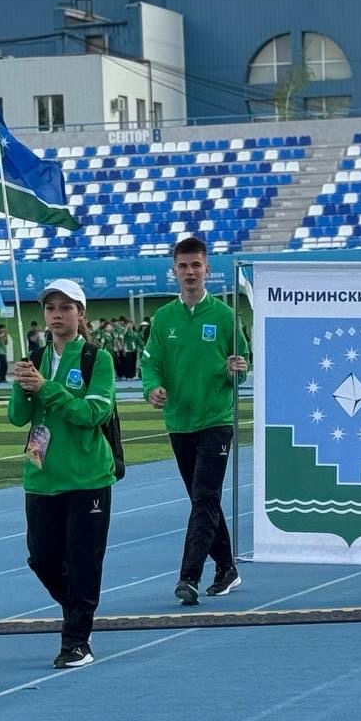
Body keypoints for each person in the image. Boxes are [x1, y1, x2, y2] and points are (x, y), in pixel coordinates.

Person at [9, 280, 116, 669]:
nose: (56, 314)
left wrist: (46, 388)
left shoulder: (96, 359)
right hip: (41, 475)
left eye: (65, 307)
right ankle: (79, 611)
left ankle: (76, 640)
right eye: (51, 308)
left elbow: (93, 413)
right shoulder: (34, 358)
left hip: (87, 476)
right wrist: (22, 388)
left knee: (84, 560)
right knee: (42, 558)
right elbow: (17, 417)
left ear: (80, 313)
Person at [141, 236, 249, 606]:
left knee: (204, 498)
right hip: (179, 421)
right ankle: (227, 567)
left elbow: (242, 364)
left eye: (196, 265)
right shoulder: (163, 318)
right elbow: (151, 364)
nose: (190, 272)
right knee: (204, 499)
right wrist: (152, 388)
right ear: (174, 271)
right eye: (183, 266)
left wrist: (237, 369)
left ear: (207, 269)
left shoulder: (224, 316)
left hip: (216, 419)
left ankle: (189, 577)